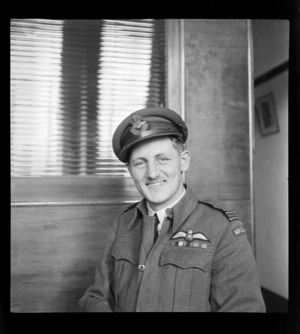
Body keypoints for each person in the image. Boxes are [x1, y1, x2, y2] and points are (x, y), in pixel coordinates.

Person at [78, 106, 266, 312]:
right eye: (140, 163)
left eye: (163, 159)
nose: (152, 173)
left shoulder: (221, 228)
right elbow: (94, 297)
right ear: (130, 171)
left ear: (183, 161)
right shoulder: (123, 223)